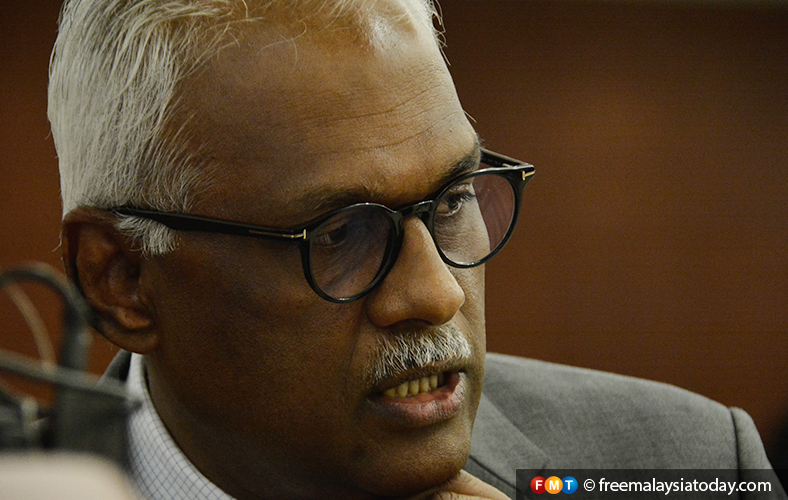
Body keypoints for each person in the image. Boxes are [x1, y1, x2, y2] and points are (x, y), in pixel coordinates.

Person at [48, 0, 783, 499]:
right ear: (123, 279)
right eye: (340, 233)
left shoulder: (694, 465)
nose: (437, 293)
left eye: (454, 199)